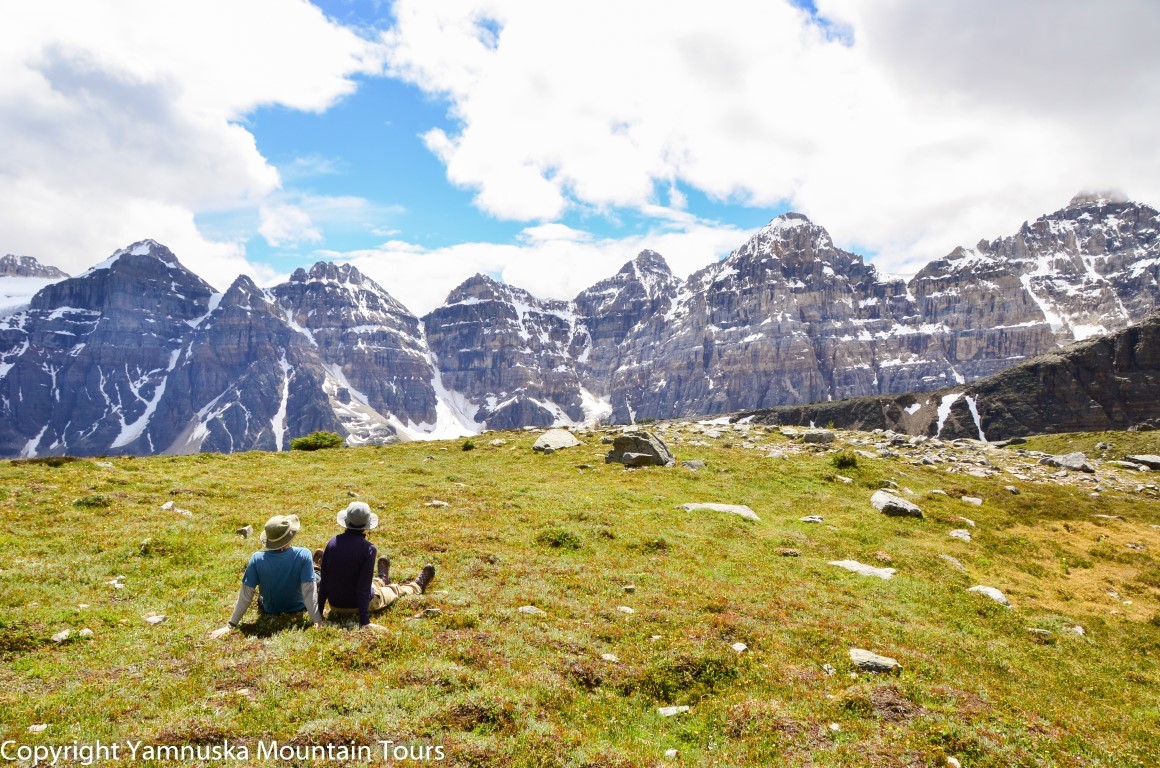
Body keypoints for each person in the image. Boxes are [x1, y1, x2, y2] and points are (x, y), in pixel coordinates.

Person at [316, 502, 435, 629]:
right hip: (359, 604)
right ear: (367, 525)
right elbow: (363, 588)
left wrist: (319, 614)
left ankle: (381, 579)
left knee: (371, 582)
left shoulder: (332, 543)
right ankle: (416, 586)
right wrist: (364, 621)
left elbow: (325, 582)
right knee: (394, 590)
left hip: (335, 605)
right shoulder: (368, 549)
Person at [209, 514, 323, 639]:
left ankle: (314, 568)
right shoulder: (303, 554)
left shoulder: (256, 558)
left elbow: (245, 595)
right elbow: (308, 591)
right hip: (299, 606)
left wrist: (230, 625)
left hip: (269, 609)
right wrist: (317, 620)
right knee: (316, 578)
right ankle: (316, 567)